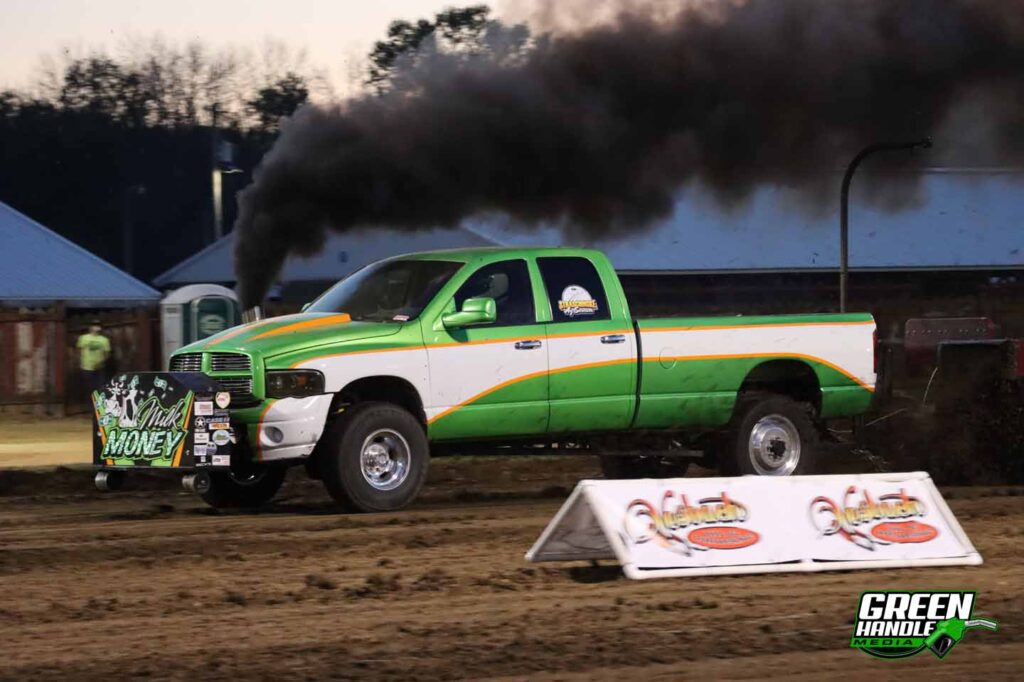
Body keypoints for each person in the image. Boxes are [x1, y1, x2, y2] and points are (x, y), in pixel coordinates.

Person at [77, 320, 111, 398]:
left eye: (98, 325)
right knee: (87, 388)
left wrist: (101, 362)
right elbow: (79, 351)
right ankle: (88, 404)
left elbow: (107, 354)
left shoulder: (104, 340)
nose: (96, 327)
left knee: (100, 388)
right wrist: (80, 362)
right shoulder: (83, 338)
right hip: (86, 367)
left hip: (99, 368)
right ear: (90, 327)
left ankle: (98, 405)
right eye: (94, 325)